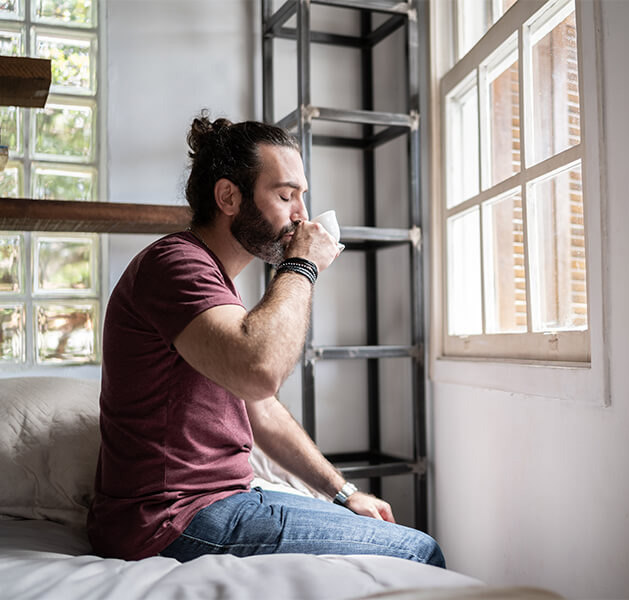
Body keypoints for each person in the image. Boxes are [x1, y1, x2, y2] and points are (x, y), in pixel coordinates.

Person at [86, 113, 445, 568]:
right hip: (171, 519)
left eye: (302, 197)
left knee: (392, 535)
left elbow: (262, 409)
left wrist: (344, 492)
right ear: (229, 197)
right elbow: (260, 372)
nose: (302, 215)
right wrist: (301, 266)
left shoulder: (215, 283)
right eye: (285, 195)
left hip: (219, 502)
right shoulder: (176, 266)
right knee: (420, 551)